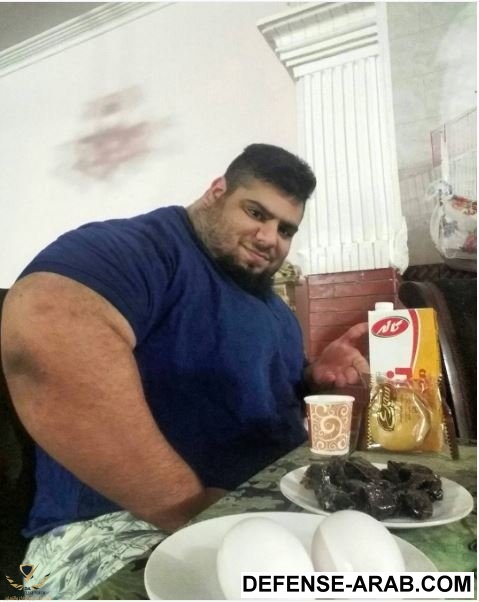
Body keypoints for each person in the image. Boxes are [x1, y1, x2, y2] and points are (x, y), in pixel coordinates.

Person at [1, 143, 368, 597]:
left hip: (267, 520)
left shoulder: (274, 309)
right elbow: (46, 325)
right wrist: (188, 508)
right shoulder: (144, 249)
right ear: (216, 192)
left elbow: (265, 394)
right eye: (255, 212)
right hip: (117, 531)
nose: (269, 237)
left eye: (285, 229)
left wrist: (313, 375)